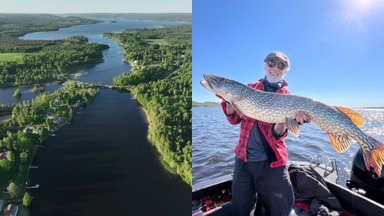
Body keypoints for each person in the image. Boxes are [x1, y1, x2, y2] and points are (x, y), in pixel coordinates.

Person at [220, 51, 310, 216]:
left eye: (281, 65)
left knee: (279, 210)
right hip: (243, 159)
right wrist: (229, 102)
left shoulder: (288, 98)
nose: (275, 68)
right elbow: (234, 120)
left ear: (286, 71)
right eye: (271, 63)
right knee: (240, 208)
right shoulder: (250, 88)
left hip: (271, 163)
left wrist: (286, 122)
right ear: (264, 65)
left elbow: (278, 135)